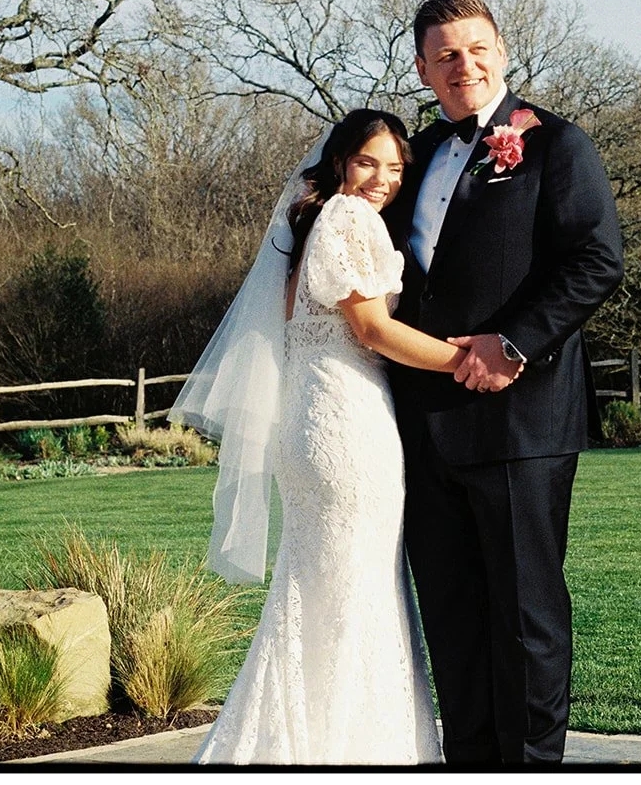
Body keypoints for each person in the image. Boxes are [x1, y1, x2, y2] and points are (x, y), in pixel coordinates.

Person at [172, 109, 464, 764]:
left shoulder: (308, 224)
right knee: (357, 589)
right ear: (340, 161)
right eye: (369, 162)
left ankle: (305, 744)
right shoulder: (349, 217)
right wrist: (468, 360)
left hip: (308, 416)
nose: (382, 180)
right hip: (347, 419)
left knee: (321, 589)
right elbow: (372, 330)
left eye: (395, 168)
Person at [385, 0, 624, 764]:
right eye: (445, 54)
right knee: (452, 617)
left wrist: (512, 345)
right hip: (421, 427)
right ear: (422, 69)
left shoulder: (556, 144)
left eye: (477, 48)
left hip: (521, 422)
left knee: (526, 619)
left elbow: (595, 260)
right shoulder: (412, 155)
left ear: (503, 51)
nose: (465, 66)